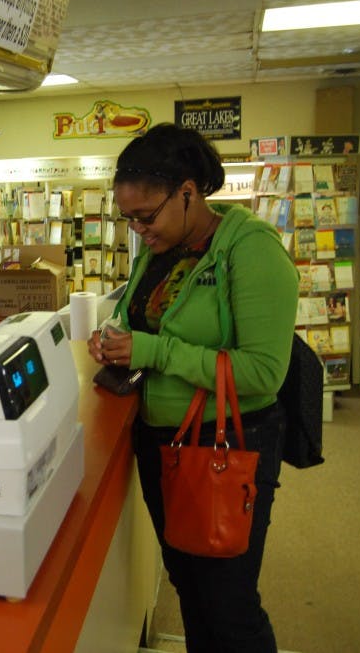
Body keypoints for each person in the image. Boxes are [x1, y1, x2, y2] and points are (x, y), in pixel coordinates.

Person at [87, 123, 298, 652]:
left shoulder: (250, 249)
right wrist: (115, 338)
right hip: (164, 445)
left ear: (188, 191)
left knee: (230, 605)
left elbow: (262, 373)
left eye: (146, 215)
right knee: (190, 589)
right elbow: (140, 318)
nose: (138, 229)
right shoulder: (159, 249)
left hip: (226, 444)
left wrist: (150, 351)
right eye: (128, 218)